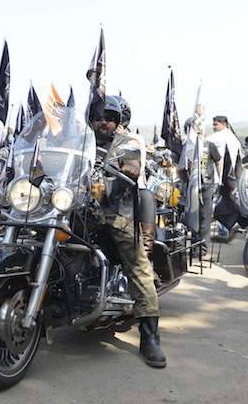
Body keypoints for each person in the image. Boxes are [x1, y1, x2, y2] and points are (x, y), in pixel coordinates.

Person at [92, 97, 166, 368]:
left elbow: (134, 165)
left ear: (117, 121)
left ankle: (150, 337)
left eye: (109, 117)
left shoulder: (127, 143)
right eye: (99, 116)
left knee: (138, 266)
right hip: (79, 211)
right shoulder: (81, 145)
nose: (104, 121)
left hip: (116, 214)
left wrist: (129, 167)